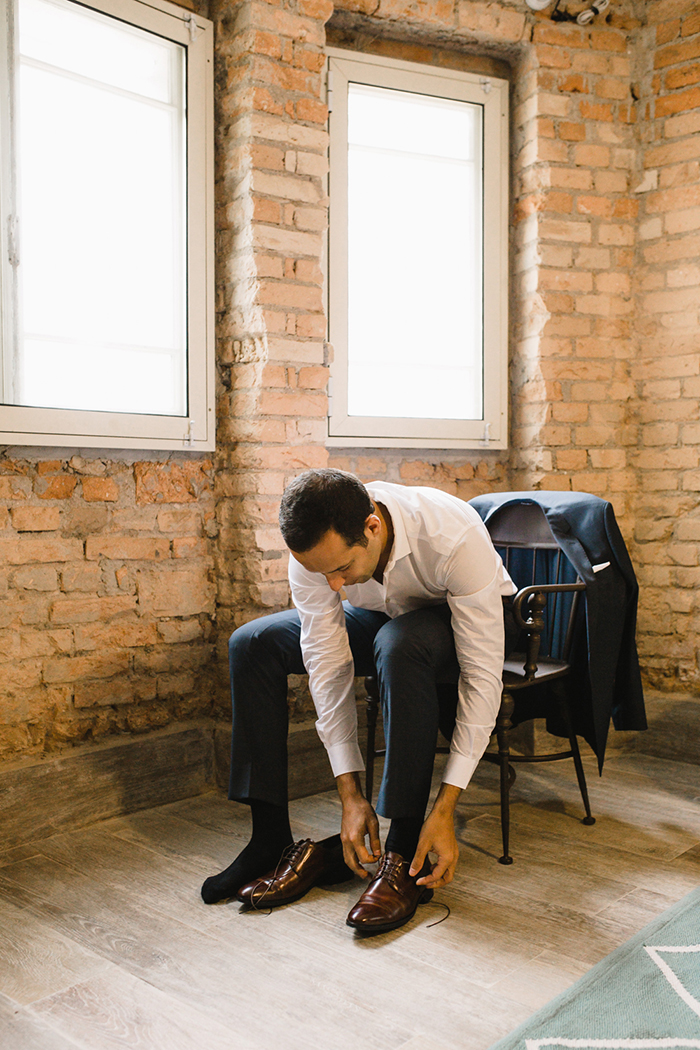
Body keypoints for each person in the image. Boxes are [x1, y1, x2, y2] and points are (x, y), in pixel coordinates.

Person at [201, 468, 514, 934]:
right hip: (383, 617)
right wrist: (349, 794)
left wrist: (446, 807)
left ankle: (404, 855)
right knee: (254, 643)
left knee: (398, 645)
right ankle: (268, 839)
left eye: (341, 570)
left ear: (372, 527)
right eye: (319, 572)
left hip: (456, 621)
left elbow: (482, 675)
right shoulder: (316, 555)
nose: (332, 585)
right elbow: (327, 664)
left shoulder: (454, 533)